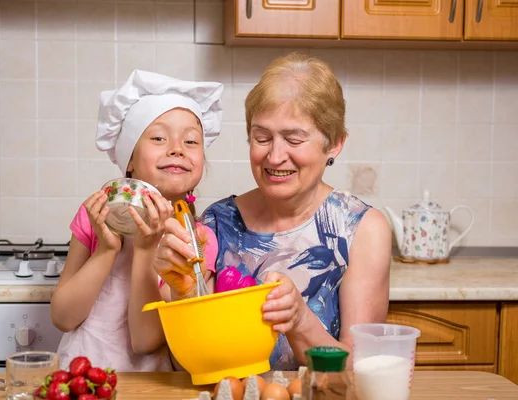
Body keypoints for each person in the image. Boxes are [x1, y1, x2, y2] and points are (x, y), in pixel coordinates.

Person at [152, 52, 392, 371]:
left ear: (334, 144)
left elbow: (361, 373)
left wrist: (301, 321)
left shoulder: (361, 229)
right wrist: (182, 293)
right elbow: (193, 365)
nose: (275, 156)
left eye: (294, 139)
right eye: (262, 137)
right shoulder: (217, 221)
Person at [50, 69, 223, 371]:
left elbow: (144, 342)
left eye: (191, 142)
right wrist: (106, 249)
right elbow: (63, 318)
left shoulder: (197, 239)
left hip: (149, 386)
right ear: (128, 158)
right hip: (81, 377)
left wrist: (145, 251)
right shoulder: (96, 215)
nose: (177, 149)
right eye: (158, 137)